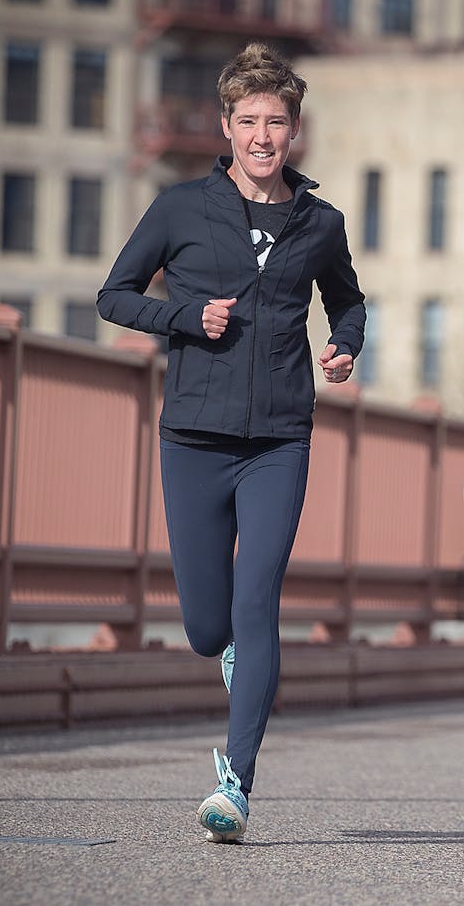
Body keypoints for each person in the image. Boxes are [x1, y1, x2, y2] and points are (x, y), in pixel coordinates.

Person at [97, 42, 365, 844]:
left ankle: (236, 784)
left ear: (295, 132)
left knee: (258, 606)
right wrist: (185, 317)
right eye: (248, 121)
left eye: (275, 122)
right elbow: (113, 295)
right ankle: (232, 661)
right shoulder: (180, 208)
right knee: (208, 626)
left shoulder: (321, 223)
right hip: (192, 438)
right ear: (227, 126)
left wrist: (346, 346)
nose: (261, 137)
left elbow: (349, 302)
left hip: (280, 438)